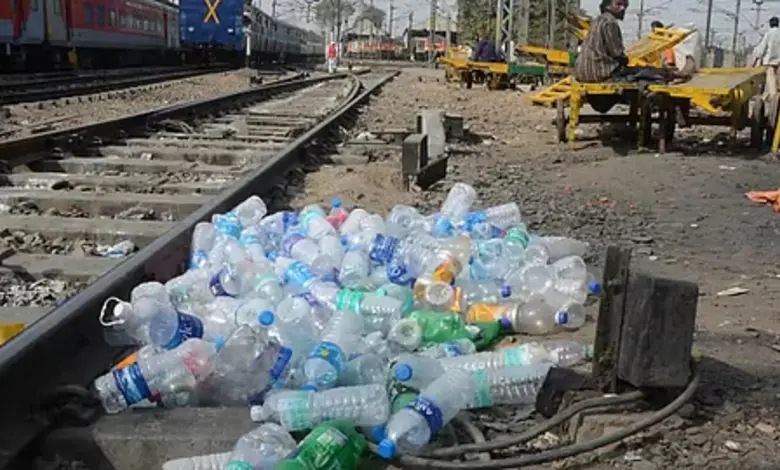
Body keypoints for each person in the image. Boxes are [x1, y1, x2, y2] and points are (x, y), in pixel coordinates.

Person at [752, 16, 780, 97]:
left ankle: (774, 98)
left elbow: (762, 48)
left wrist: (756, 59)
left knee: (771, 81)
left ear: (770, 24)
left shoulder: (768, 34)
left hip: (770, 62)